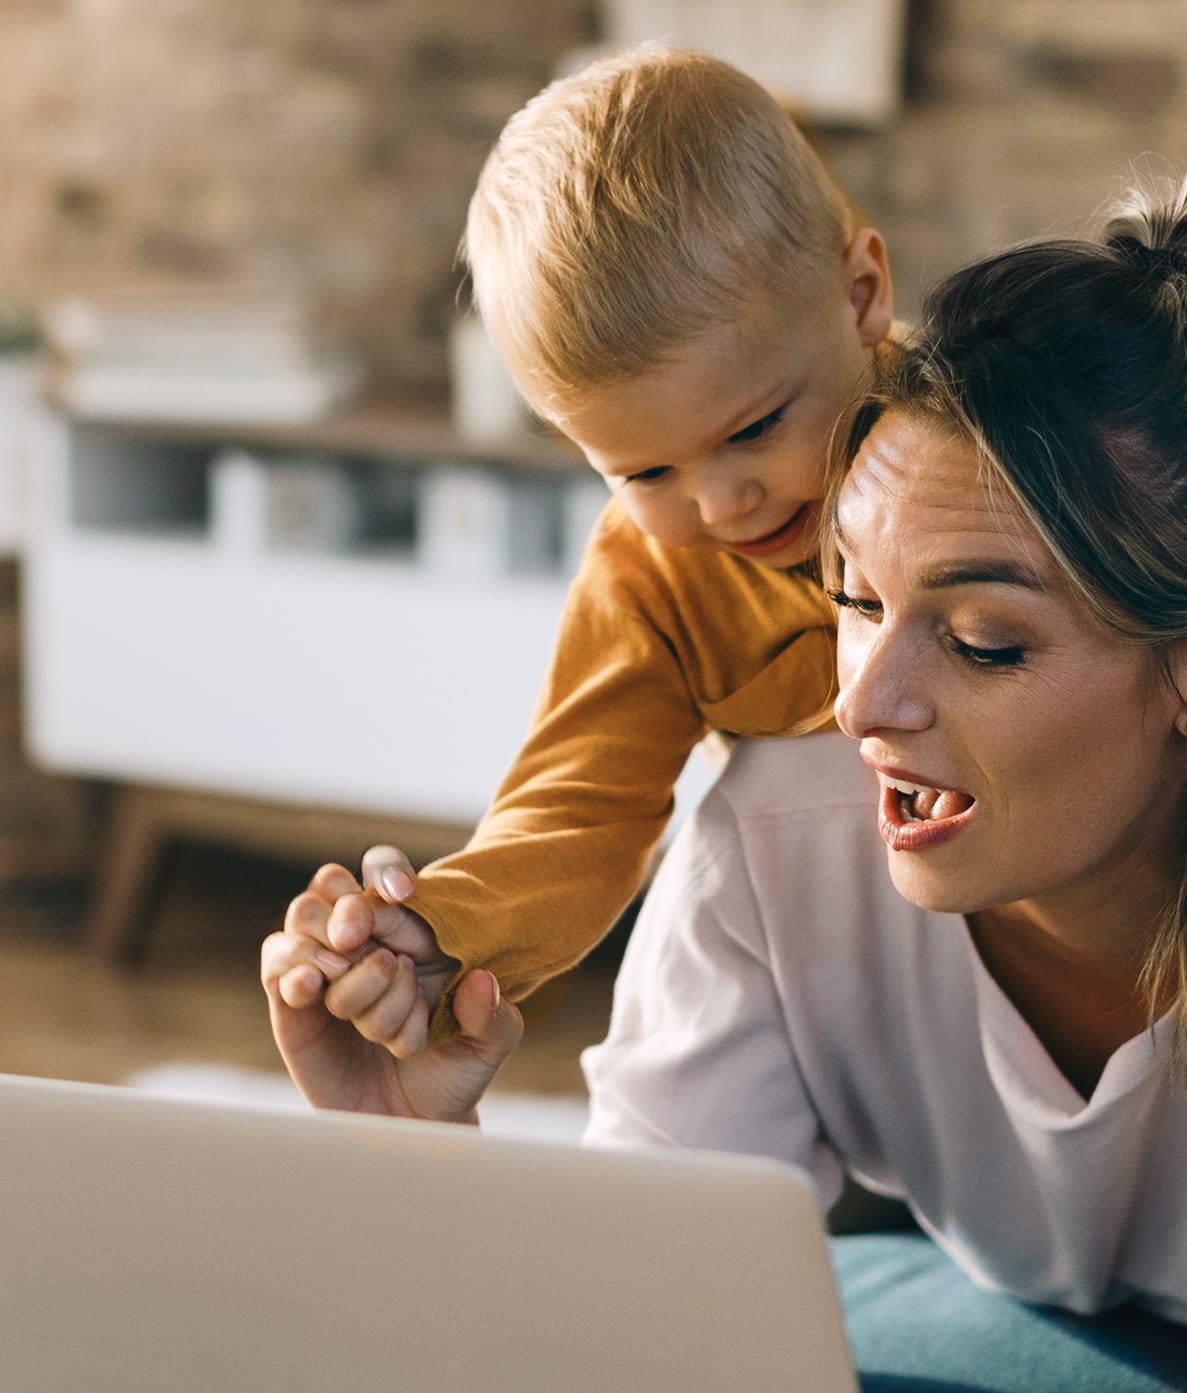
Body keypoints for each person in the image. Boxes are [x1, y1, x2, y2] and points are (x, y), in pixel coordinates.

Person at [261, 174, 1187, 1393]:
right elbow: (626, 1382)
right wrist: (408, 1145)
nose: (859, 707)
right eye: (853, 601)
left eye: (979, 638)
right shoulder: (770, 838)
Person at [285, 46, 884, 1048]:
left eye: (752, 429)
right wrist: (437, 925)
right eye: (645, 473)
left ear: (862, 295)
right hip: (852, 993)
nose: (723, 501)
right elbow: (577, 811)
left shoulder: (985, 442)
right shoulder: (650, 575)